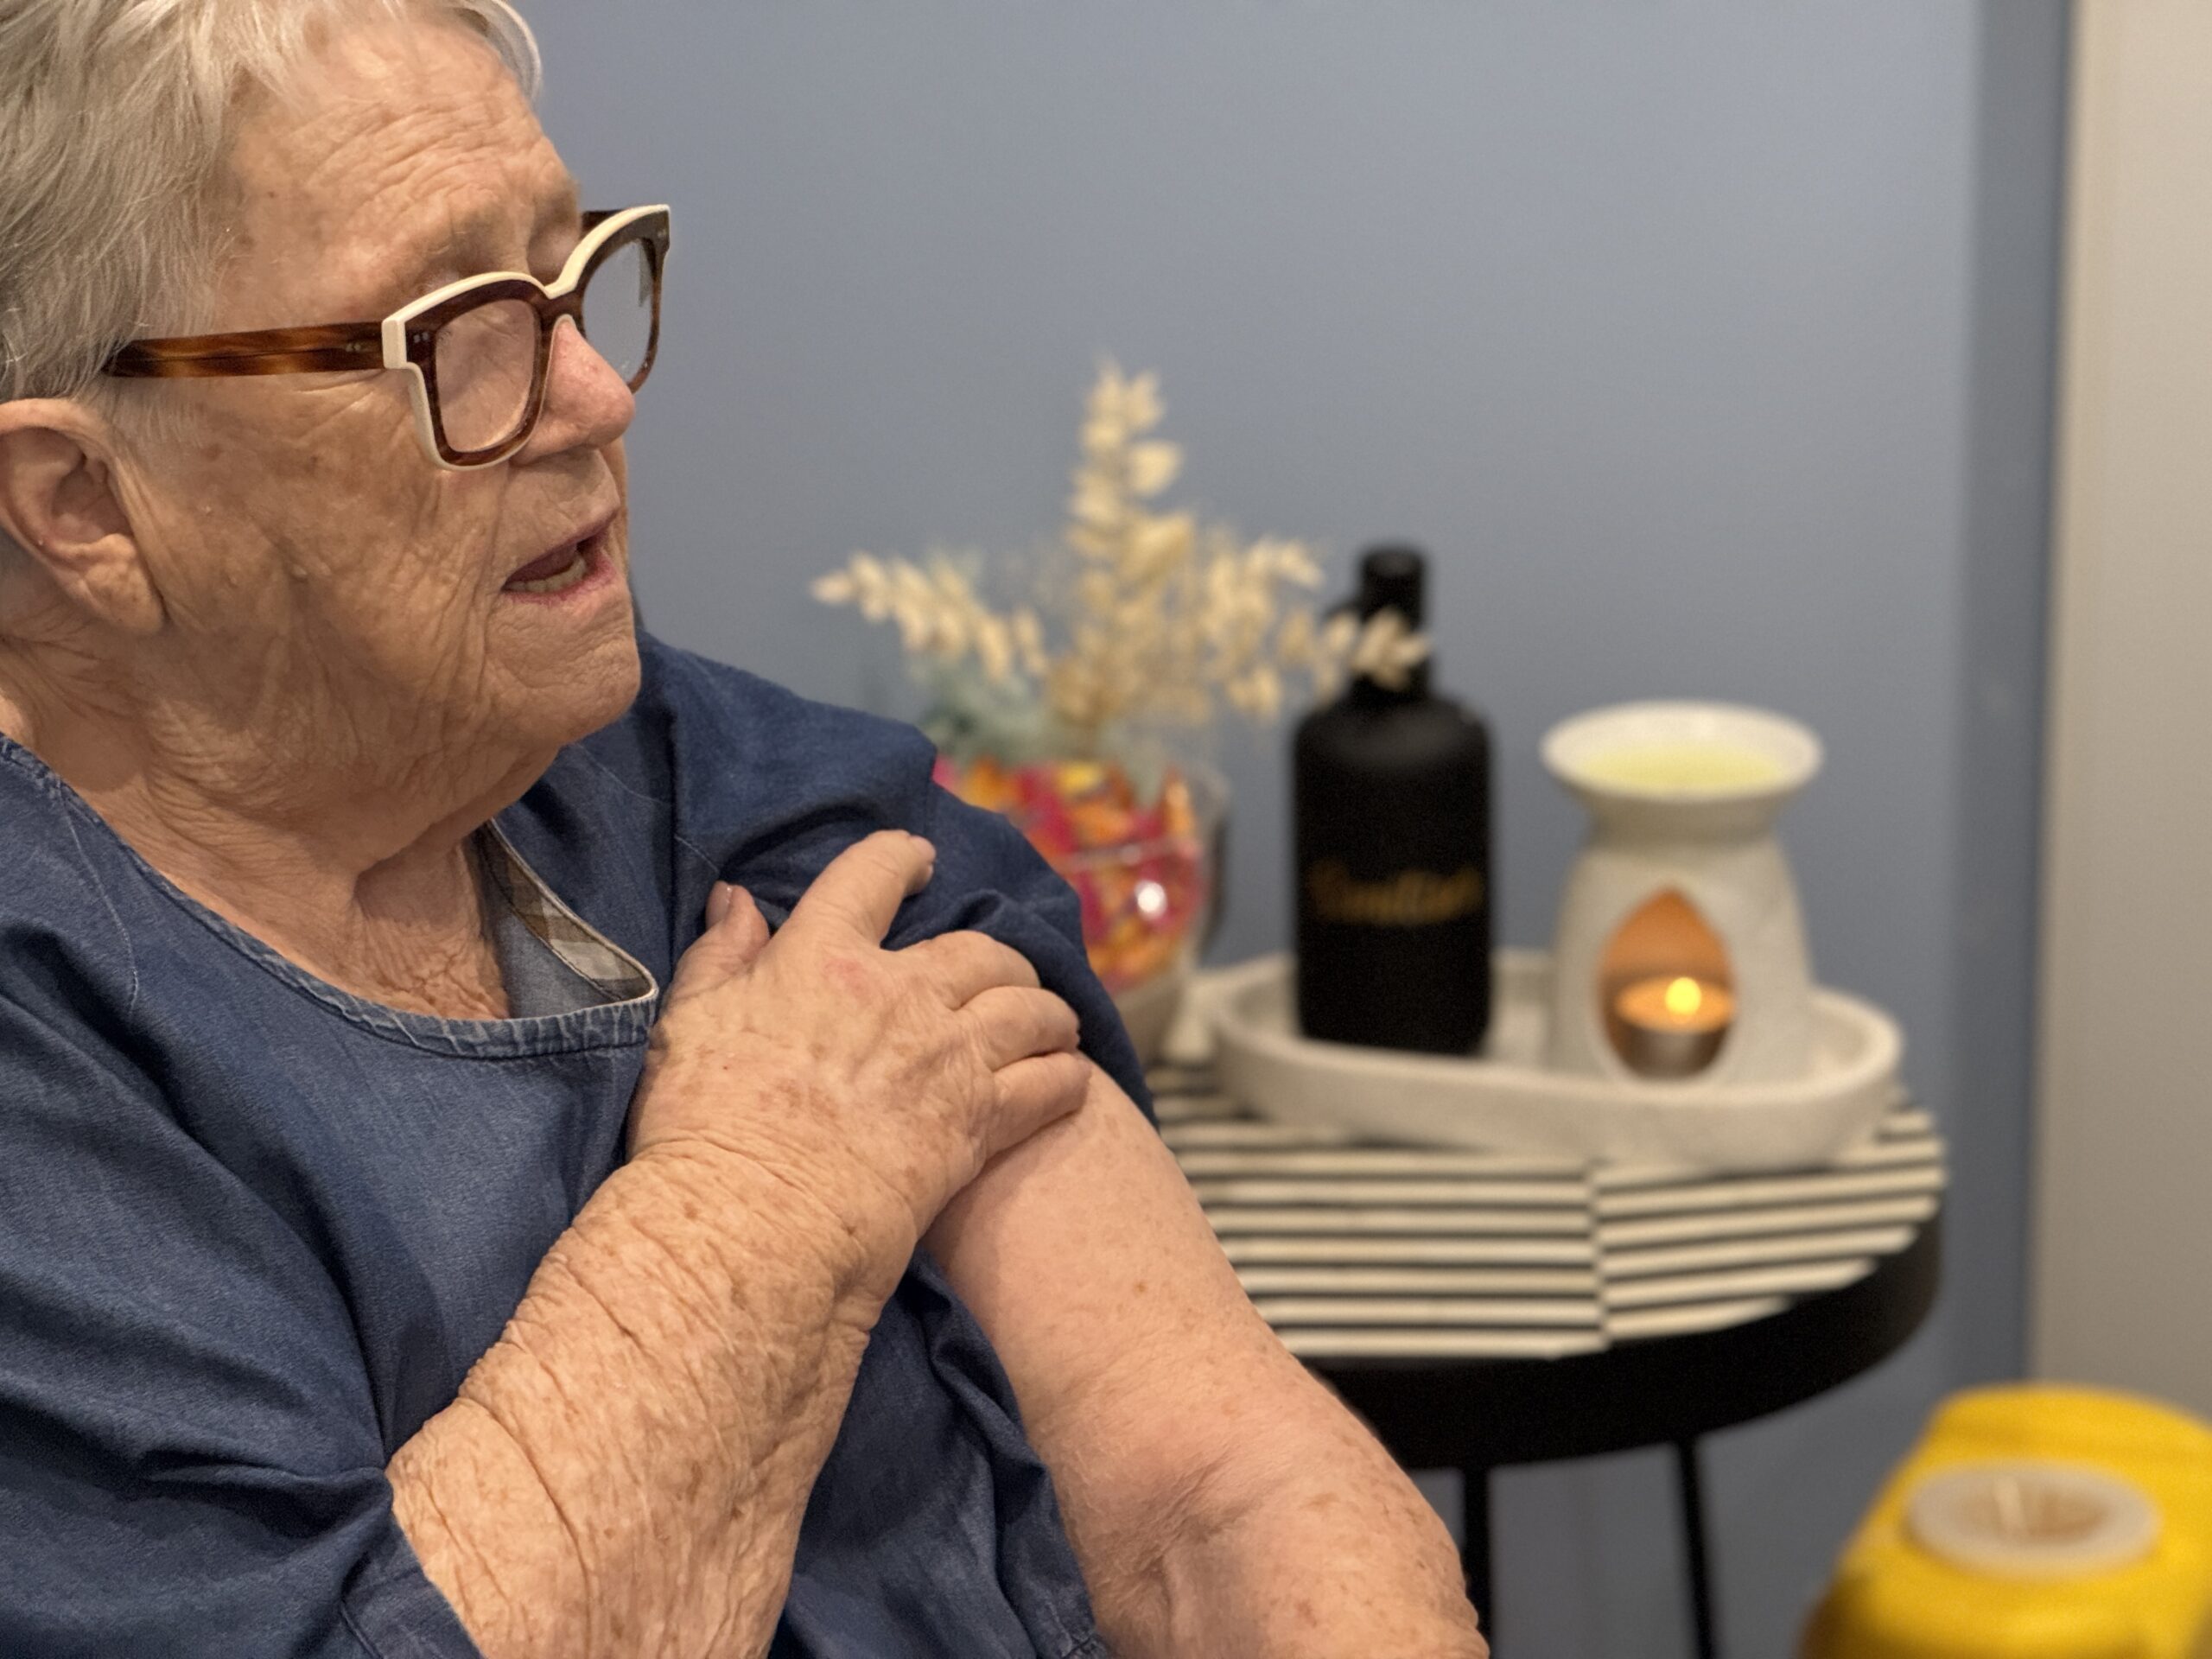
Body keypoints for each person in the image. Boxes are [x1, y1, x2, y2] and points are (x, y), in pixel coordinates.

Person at [0, 3, 1487, 1655]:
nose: (588, 395)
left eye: (575, 278)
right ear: (81, 506)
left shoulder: (751, 800)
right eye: (457, 328)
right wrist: (762, 1199)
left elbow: (1217, 1478)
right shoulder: (48, 1069)